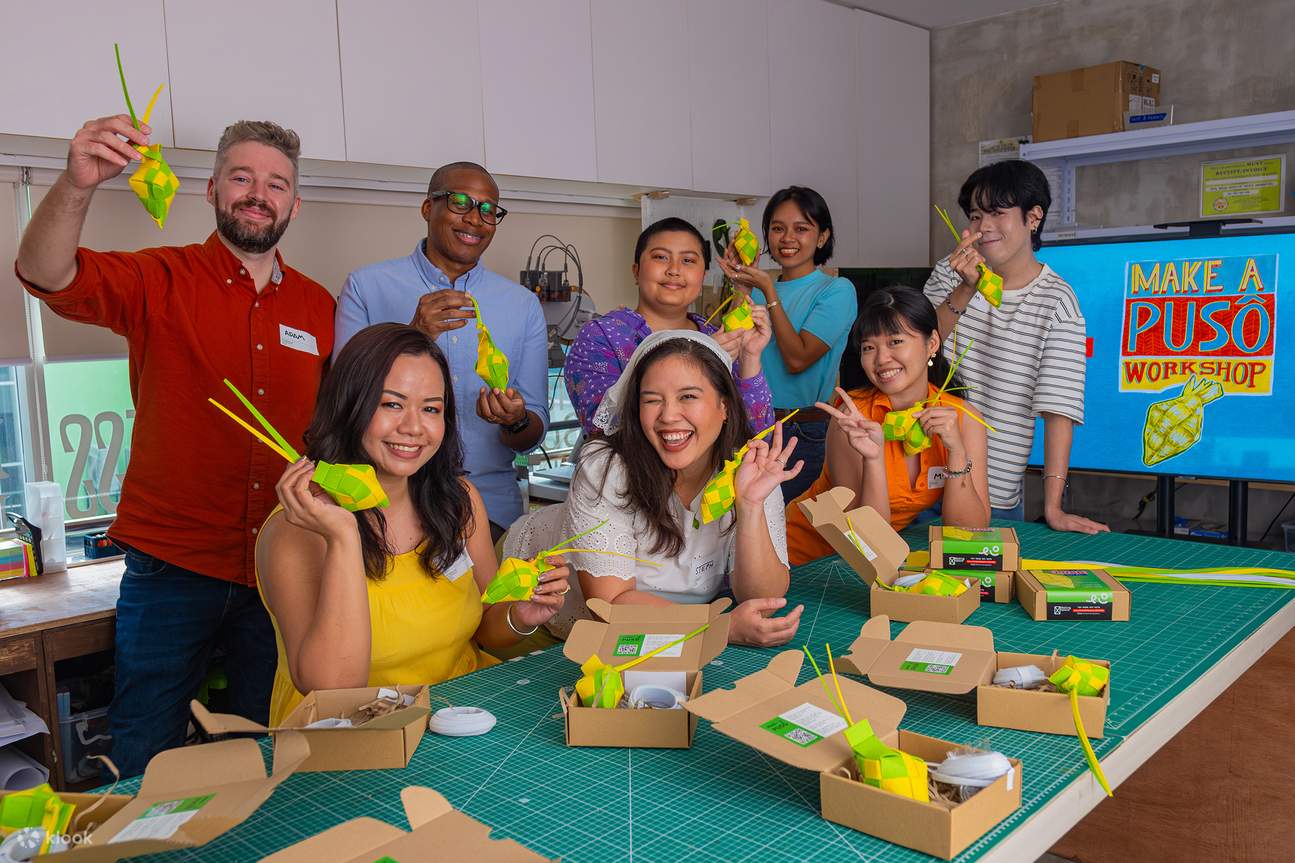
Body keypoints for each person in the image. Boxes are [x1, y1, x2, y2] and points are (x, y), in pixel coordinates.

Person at [14, 117, 334, 775]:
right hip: (171, 566)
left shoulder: (320, 307)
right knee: (145, 750)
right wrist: (77, 184)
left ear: (293, 205)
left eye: (276, 184)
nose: (258, 193)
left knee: (260, 748)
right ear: (213, 188)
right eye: (242, 177)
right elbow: (45, 272)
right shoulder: (161, 279)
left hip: (282, 563)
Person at [255, 324, 571, 724]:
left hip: (460, 718)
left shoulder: (457, 501)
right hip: (355, 738)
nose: (414, 427)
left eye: (431, 409)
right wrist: (343, 538)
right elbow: (333, 691)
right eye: (391, 404)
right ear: (351, 405)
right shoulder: (297, 528)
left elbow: (485, 627)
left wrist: (519, 615)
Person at [507, 330, 803, 647]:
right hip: (544, 621)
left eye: (688, 396)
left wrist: (750, 506)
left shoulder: (749, 470)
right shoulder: (605, 470)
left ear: (725, 406)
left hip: (671, 631)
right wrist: (718, 628)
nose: (669, 416)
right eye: (652, 400)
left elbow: (763, 599)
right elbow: (608, 607)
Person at [334, 161, 547, 539]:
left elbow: (532, 433)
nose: (475, 219)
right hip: (388, 506)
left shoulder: (522, 305)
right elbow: (344, 402)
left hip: (490, 509)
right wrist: (411, 335)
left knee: (495, 601)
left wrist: (513, 419)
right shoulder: (366, 287)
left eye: (487, 210)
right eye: (460, 201)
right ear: (428, 208)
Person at [924, 159, 1107, 533]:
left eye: (997, 213)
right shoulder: (951, 271)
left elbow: (1059, 411)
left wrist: (1053, 508)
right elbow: (916, 348)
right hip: (919, 483)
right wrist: (966, 287)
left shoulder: (1057, 301)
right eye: (975, 216)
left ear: (1033, 217)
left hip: (992, 494)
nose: (983, 227)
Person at [785, 288, 990, 565]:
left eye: (895, 341)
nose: (881, 359)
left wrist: (956, 453)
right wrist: (873, 459)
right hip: (805, 560)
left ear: (932, 344)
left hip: (867, 566)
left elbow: (968, 533)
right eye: (869, 347)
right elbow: (866, 537)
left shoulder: (963, 419)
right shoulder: (853, 419)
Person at [564, 217, 773, 435]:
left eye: (689, 260)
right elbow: (602, 428)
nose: (674, 270)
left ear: (702, 276)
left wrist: (749, 359)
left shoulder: (714, 336)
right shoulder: (601, 336)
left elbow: (756, 436)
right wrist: (700, 360)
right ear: (636, 270)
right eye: (661, 257)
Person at [719, 186, 857, 503]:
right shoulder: (756, 291)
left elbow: (798, 358)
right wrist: (741, 289)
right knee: (742, 528)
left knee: (781, 529)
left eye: (801, 228)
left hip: (801, 433)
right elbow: (728, 356)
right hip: (749, 429)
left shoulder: (836, 290)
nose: (787, 238)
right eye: (778, 228)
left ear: (822, 237)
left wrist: (768, 289)